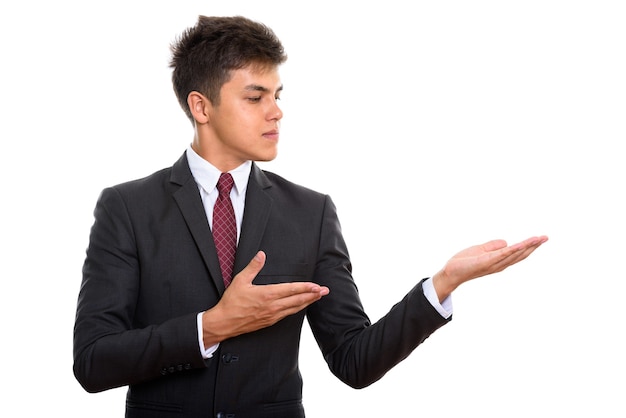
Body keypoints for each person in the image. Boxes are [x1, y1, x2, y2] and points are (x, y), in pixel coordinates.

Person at [73, 15, 548, 418]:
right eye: (255, 97)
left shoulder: (310, 212)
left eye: (279, 94)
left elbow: (354, 361)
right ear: (201, 106)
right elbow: (93, 362)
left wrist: (443, 284)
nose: (277, 112)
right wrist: (212, 325)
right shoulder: (127, 208)